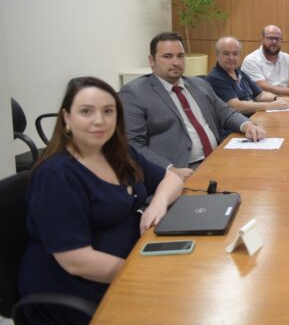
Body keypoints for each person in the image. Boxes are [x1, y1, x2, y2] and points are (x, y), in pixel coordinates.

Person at [18, 76, 184, 325]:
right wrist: (147, 275)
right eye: (86, 111)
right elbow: (77, 262)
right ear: (66, 118)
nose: (99, 120)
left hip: (128, 264)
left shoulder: (118, 152)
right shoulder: (56, 175)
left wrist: (158, 203)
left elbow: (172, 179)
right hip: (76, 290)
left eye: (108, 111)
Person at [120, 32, 266, 177]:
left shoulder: (199, 84)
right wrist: (169, 170)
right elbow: (132, 144)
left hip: (219, 159)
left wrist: (248, 125)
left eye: (180, 56)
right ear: (152, 61)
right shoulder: (135, 93)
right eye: (167, 56)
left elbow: (226, 112)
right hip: (181, 169)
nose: (176, 62)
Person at [207, 36, 289, 114]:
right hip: (238, 127)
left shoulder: (240, 73)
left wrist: (277, 99)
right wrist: (271, 105)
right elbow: (236, 106)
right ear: (217, 55)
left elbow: (261, 95)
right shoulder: (216, 78)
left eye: (235, 53)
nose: (231, 58)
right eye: (226, 53)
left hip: (256, 116)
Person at [241, 25, 289, 96]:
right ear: (262, 40)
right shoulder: (251, 60)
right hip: (260, 103)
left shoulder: (286, 58)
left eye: (277, 39)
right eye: (270, 38)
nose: (274, 42)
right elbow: (262, 86)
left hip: (284, 101)